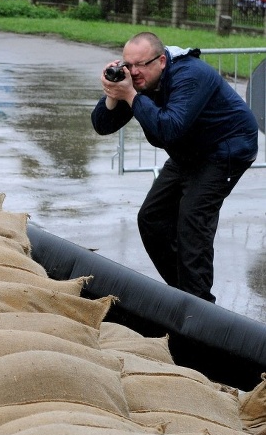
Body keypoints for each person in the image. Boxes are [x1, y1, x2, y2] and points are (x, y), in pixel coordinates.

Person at [90, 31, 260, 303]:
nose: (133, 73)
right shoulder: (138, 81)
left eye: (140, 65)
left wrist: (131, 95)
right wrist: (113, 95)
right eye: (127, 65)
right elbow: (102, 125)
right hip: (189, 151)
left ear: (162, 61)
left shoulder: (190, 75)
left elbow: (168, 129)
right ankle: (186, 296)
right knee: (151, 218)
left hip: (225, 149)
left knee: (192, 223)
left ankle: (200, 311)